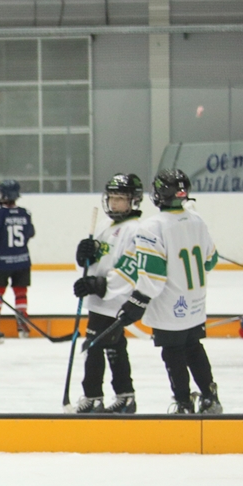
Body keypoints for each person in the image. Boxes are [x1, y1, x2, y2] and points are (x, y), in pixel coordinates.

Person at [102, 169, 221, 414]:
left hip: (170, 306)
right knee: (194, 348)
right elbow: (211, 260)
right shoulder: (197, 220)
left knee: (173, 353)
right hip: (196, 303)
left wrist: (136, 302)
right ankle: (210, 398)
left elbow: (153, 277)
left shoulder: (152, 226)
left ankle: (183, 403)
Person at [71, 173, 146, 412]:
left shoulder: (135, 230)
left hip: (116, 299)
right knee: (114, 346)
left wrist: (100, 285)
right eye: (112, 198)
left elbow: (130, 269)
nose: (114, 203)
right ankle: (125, 395)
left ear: (133, 200)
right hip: (100, 300)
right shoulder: (105, 226)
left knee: (93, 345)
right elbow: (95, 263)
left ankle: (93, 397)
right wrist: (84, 257)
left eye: (120, 198)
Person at [0, 179, 34, 337]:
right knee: (21, 292)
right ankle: (22, 322)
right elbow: (30, 234)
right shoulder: (25, 213)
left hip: (1, 261)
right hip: (22, 260)